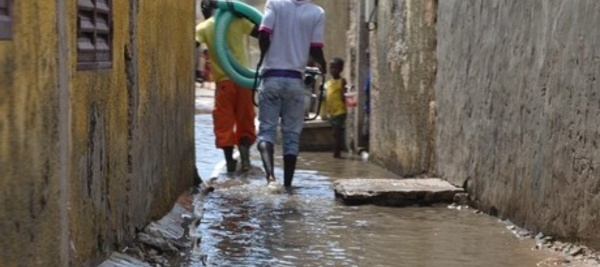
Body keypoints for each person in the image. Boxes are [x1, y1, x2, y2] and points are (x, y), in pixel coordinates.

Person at [256, 0, 327, 187]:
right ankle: (288, 185)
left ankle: (270, 178)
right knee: (291, 137)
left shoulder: (274, 4)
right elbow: (315, 48)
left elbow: (263, 34)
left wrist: (263, 59)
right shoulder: (317, 12)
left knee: (266, 132)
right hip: (296, 82)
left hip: (271, 78)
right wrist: (323, 64)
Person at [195, 1, 257, 173]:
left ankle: (230, 163)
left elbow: (193, 44)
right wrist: (245, 14)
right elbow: (262, 33)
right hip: (244, 81)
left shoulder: (205, 26)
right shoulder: (237, 21)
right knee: (246, 119)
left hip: (224, 83)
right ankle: (245, 161)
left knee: (224, 123)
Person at [325, 57, 347, 158]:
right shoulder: (328, 83)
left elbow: (343, 95)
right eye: (331, 67)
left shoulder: (342, 81)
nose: (333, 70)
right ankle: (336, 153)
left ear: (340, 69)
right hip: (332, 112)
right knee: (334, 134)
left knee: (337, 133)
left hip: (340, 111)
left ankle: (336, 154)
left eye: (335, 68)